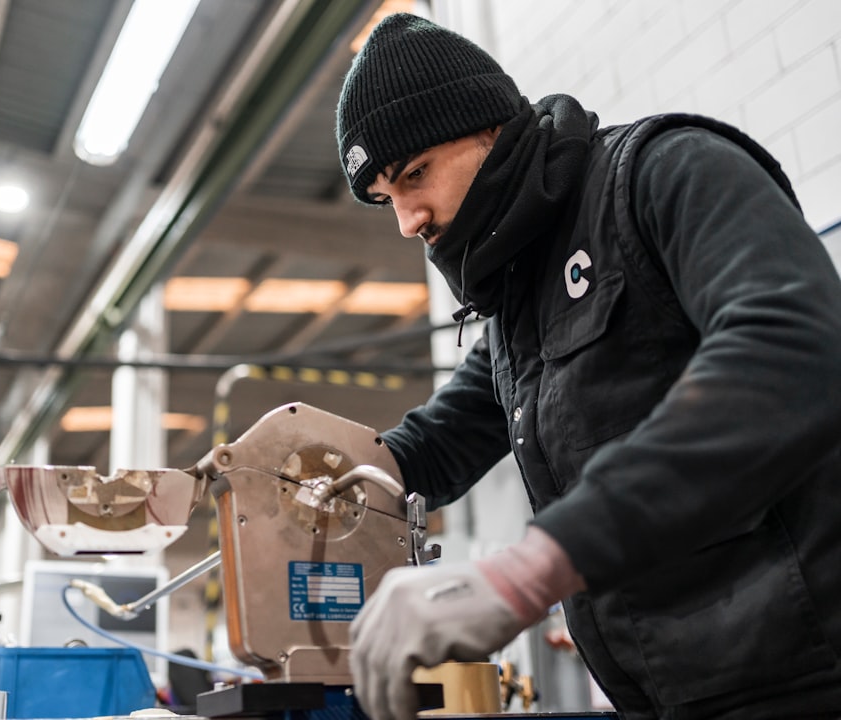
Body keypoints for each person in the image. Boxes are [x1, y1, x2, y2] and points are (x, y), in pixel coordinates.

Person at [335, 13, 841, 720]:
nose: (408, 221)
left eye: (415, 175)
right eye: (388, 199)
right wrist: (315, 473)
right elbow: (445, 435)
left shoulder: (665, 173)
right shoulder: (522, 299)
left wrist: (530, 569)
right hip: (661, 695)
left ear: (491, 127)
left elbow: (791, 352)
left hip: (805, 676)